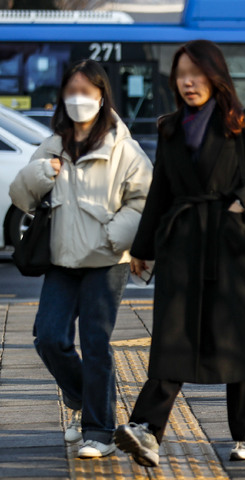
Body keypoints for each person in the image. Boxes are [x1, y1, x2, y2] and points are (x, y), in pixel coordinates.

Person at [113, 40, 245, 467]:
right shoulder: (171, 128)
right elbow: (161, 191)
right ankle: (147, 430)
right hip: (182, 246)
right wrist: (143, 247)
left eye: (197, 73)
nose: (188, 82)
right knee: (173, 337)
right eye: (180, 75)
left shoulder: (244, 125)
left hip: (229, 247)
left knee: (239, 341)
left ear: (216, 76)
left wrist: (240, 205)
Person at [9, 59, 153, 458]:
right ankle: (80, 396)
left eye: (86, 92)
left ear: (102, 96)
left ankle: (100, 430)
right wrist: (42, 172)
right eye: (71, 92)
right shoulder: (54, 143)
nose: (78, 100)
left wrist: (115, 235)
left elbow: (143, 199)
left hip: (107, 259)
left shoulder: (124, 146)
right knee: (49, 338)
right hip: (61, 259)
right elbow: (21, 197)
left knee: (94, 340)